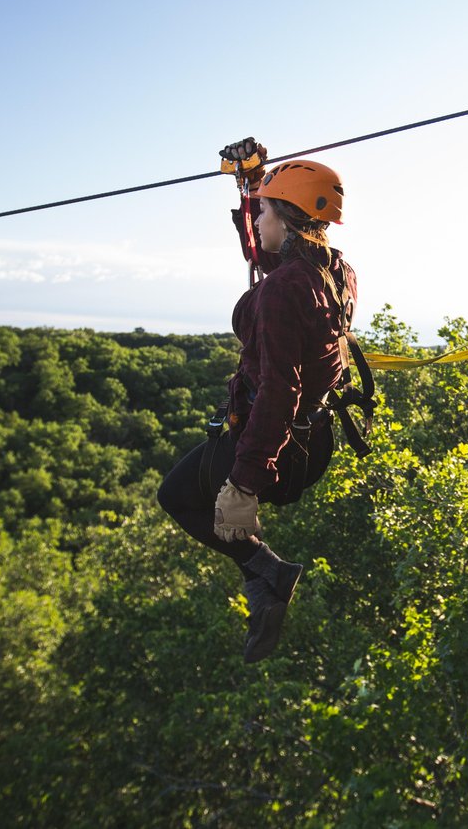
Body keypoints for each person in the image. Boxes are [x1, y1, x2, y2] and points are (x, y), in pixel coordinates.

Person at [156, 138, 357, 663]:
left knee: (175, 496)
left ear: (286, 218)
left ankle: (268, 572)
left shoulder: (283, 288)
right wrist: (253, 186)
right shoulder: (334, 270)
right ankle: (265, 579)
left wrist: (245, 483)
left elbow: (278, 389)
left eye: (266, 209)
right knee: (185, 494)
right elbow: (262, 250)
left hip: (271, 446)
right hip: (311, 445)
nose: (259, 219)